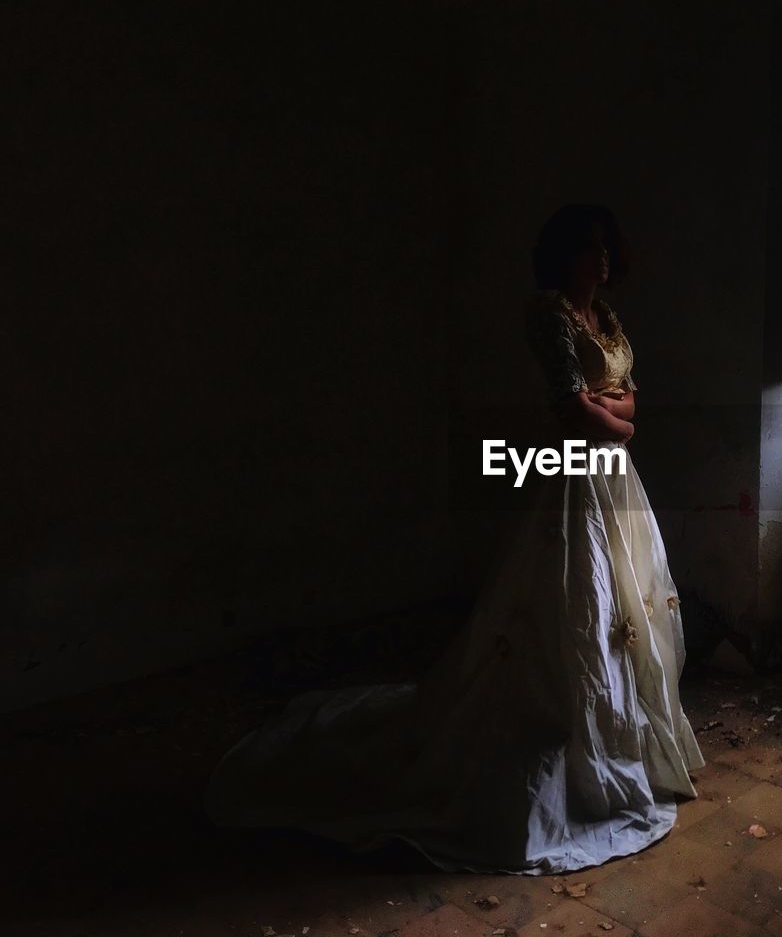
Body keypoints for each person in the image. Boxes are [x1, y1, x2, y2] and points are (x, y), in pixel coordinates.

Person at [202, 203, 706, 875]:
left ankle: (622, 744)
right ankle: (570, 745)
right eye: (589, 249)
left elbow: (628, 402)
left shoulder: (606, 319)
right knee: (576, 605)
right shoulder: (547, 314)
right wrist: (617, 420)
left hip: (617, 476)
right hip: (576, 475)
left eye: (606, 248)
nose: (602, 260)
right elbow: (568, 409)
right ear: (563, 255)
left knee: (628, 607)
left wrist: (615, 416)